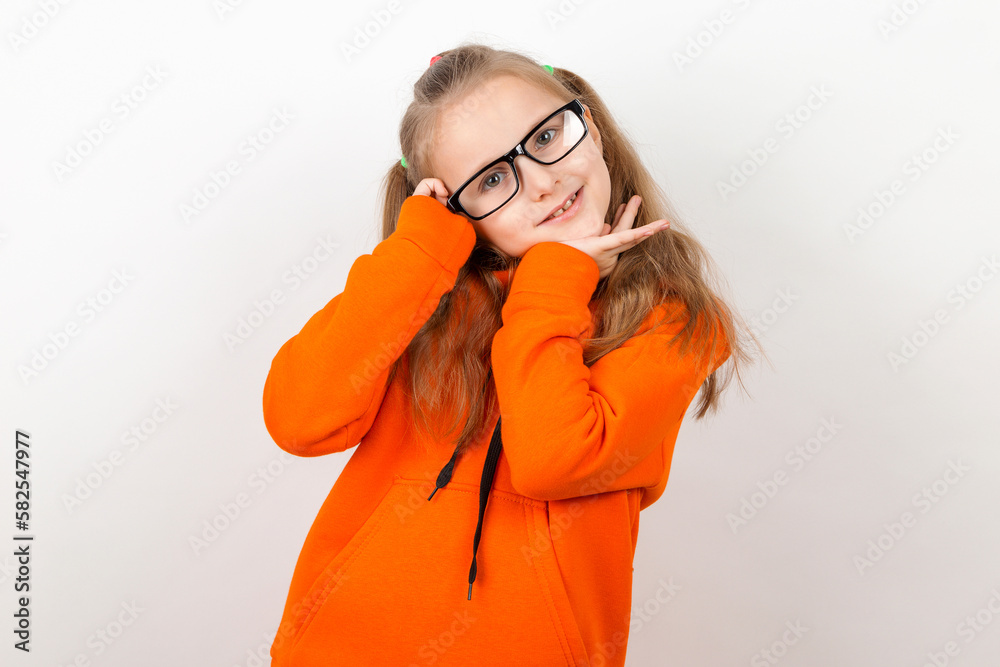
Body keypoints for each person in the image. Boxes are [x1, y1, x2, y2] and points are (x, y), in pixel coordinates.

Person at [262, 41, 757, 667]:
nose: (542, 184)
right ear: (451, 206)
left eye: (548, 137)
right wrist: (418, 251)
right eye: (493, 179)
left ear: (592, 126)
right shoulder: (423, 295)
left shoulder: (668, 317)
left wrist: (554, 278)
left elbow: (555, 461)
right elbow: (299, 420)